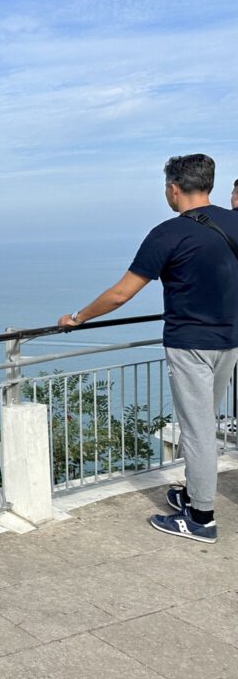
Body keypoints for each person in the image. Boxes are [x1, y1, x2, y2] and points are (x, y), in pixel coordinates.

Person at [58, 154, 238, 544]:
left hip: (191, 343)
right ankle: (191, 495)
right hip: (230, 341)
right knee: (204, 420)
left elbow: (122, 294)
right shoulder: (234, 222)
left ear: (173, 188)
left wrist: (78, 318)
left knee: (198, 429)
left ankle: (202, 518)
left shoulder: (167, 234)